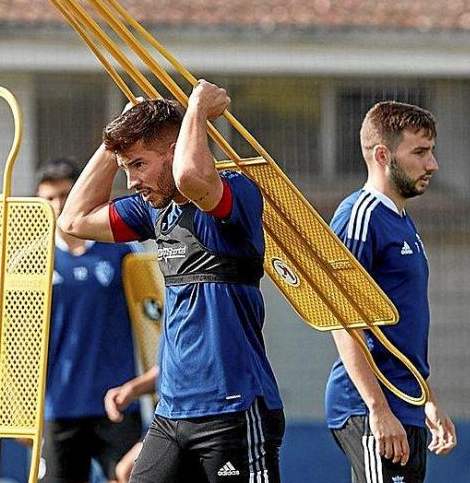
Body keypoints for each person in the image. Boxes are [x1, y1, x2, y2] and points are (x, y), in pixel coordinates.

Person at [58, 81, 285, 483]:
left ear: (173, 152)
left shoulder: (235, 193)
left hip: (232, 407)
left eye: (139, 165)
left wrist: (195, 107)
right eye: (126, 169)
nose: (130, 182)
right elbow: (73, 219)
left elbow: (193, 178)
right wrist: (115, 145)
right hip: (173, 411)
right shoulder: (153, 213)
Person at [325, 101, 457, 483]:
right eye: (419, 152)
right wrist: (378, 410)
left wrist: (428, 401)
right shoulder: (359, 216)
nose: (432, 165)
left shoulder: (403, 222)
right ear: (382, 155)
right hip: (369, 407)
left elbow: (401, 330)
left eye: (430, 151)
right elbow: (342, 319)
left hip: (407, 405)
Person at [36, 158, 142, 483]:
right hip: (58, 406)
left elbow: (153, 318)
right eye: (49, 199)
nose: (59, 205)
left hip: (117, 402)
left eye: (66, 195)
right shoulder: (34, 262)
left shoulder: (121, 252)